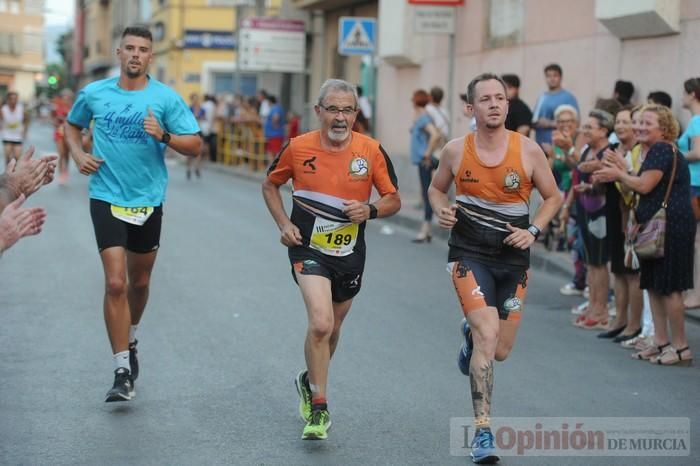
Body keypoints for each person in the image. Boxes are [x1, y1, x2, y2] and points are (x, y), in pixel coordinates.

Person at [428, 73, 562, 463]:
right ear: (471, 108)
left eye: (499, 98)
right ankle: (483, 432)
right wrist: (441, 210)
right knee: (489, 336)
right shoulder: (456, 150)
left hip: (513, 257)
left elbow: (553, 197)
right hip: (468, 253)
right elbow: (437, 189)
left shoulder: (529, 151)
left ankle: (470, 335)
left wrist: (533, 230)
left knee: (499, 350)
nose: (494, 104)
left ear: (507, 104)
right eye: (485, 99)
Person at [65, 26, 202, 402]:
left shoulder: (166, 99)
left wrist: (164, 136)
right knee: (114, 283)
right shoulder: (94, 93)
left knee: (138, 283)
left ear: (151, 56)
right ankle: (121, 369)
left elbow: (195, 144)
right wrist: (78, 155)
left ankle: (133, 333)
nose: (136, 55)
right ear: (118, 52)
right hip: (106, 195)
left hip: (148, 199)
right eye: (129, 48)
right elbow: (72, 125)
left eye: (143, 49)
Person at [262, 78, 400, 440]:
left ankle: (309, 380)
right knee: (321, 323)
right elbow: (270, 184)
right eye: (334, 109)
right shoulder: (297, 147)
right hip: (307, 247)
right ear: (318, 111)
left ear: (357, 113)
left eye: (348, 110)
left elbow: (393, 199)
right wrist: (284, 223)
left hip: (350, 252)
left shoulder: (371, 150)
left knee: (333, 329)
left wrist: (370, 210)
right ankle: (320, 407)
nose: (341, 118)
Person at [595, 105, 694, 366]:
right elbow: (643, 183)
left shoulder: (662, 149)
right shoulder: (654, 151)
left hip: (671, 227)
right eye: (638, 122)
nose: (639, 126)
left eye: (646, 123)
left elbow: (643, 185)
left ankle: (681, 347)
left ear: (664, 128)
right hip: (655, 227)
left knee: (670, 288)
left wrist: (619, 173)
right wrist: (623, 168)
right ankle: (661, 343)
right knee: (652, 283)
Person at [678, 77, 700, 309]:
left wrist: (674, 155)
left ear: (693, 94)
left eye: (684, 93)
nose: (681, 97)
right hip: (694, 184)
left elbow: (697, 152)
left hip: (694, 185)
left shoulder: (696, 120)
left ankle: (696, 294)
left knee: (696, 241)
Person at [410, 89, 441, 243]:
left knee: (427, 195)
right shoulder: (420, 116)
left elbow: (435, 134)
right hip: (422, 160)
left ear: (415, 101)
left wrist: (427, 153)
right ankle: (426, 230)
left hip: (424, 161)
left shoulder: (423, 117)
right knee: (426, 194)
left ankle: (426, 229)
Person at [531, 64, 579, 146]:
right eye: (548, 76)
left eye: (555, 75)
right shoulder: (542, 97)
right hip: (540, 146)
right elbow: (534, 120)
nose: (552, 79)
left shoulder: (568, 97)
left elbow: (576, 123)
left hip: (561, 147)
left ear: (560, 77)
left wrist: (549, 123)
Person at [1, 91, 30, 167]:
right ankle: (7, 172)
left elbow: (26, 120)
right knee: (7, 156)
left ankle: (14, 171)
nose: (13, 101)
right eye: (11, 99)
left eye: (15, 99)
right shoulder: (3, 109)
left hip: (18, 136)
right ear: (8, 100)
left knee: (17, 157)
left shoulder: (21, 109)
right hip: (7, 135)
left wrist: (25, 131)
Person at [52, 89, 74, 184]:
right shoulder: (57, 107)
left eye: (68, 98)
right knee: (61, 153)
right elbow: (53, 120)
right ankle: (61, 173)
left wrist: (66, 119)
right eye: (64, 97)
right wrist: (57, 121)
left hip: (69, 133)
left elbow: (75, 121)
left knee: (66, 154)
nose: (66, 100)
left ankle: (66, 171)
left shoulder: (73, 108)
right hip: (59, 132)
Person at [188, 93, 205, 179]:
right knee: (190, 152)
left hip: (199, 130)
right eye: (194, 99)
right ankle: (189, 169)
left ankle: (197, 168)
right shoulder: (189, 109)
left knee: (200, 150)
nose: (195, 101)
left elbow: (204, 118)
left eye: (196, 99)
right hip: (191, 131)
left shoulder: (202, 109)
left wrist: (199, 117)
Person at [264, 95, 286, 160]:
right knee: (271, 152)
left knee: (275, 153)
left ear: (269, 101)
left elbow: (276, 117)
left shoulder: (275, 108)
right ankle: (273, 169)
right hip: (273, 135)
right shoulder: (275, 108)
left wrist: (274, 124)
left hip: (275, 135)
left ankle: (274, 169)